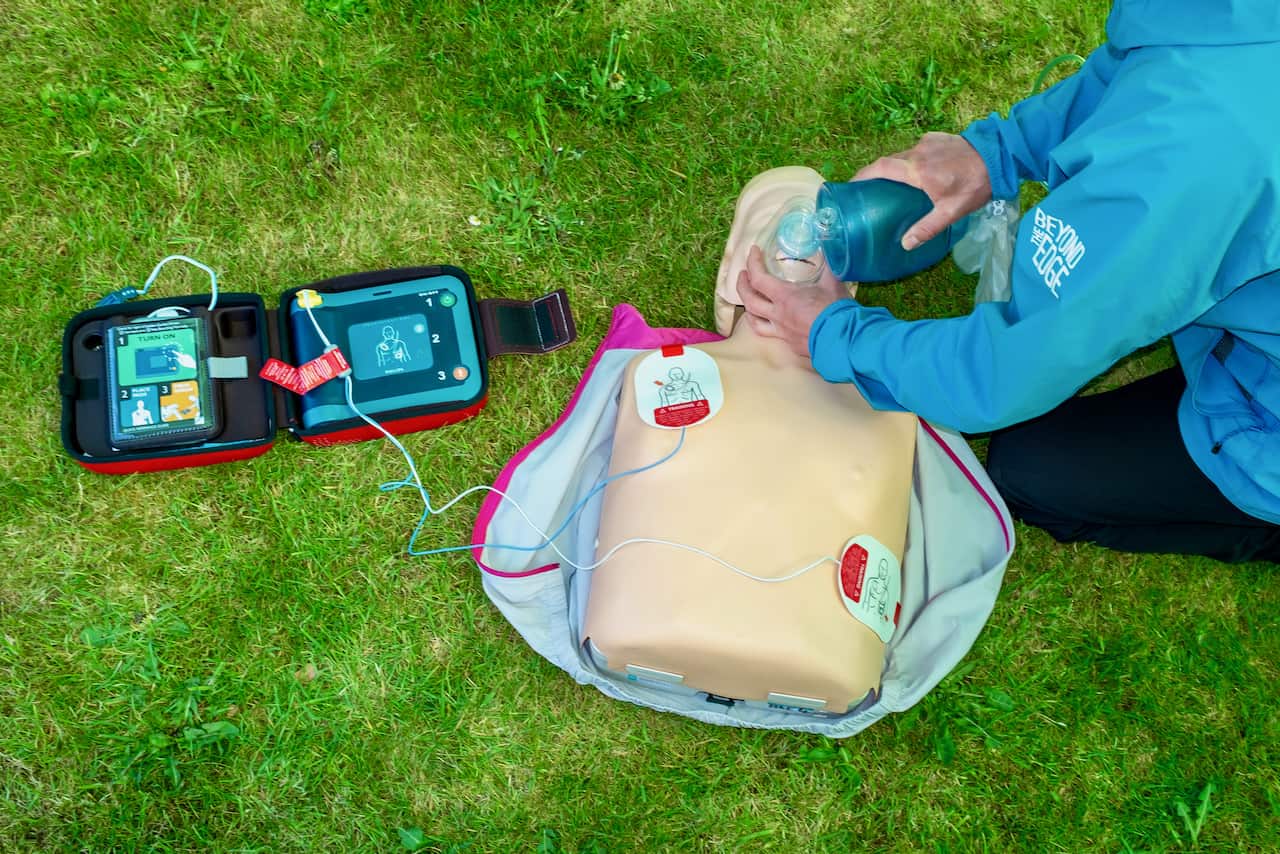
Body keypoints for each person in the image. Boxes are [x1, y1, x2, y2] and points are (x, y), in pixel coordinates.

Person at [738, 1, 1280, 563]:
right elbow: (1144, 64)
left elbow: (999, 374)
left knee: (1030, 471)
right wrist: (998, 150)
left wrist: (835, 336)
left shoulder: (1187, 158)